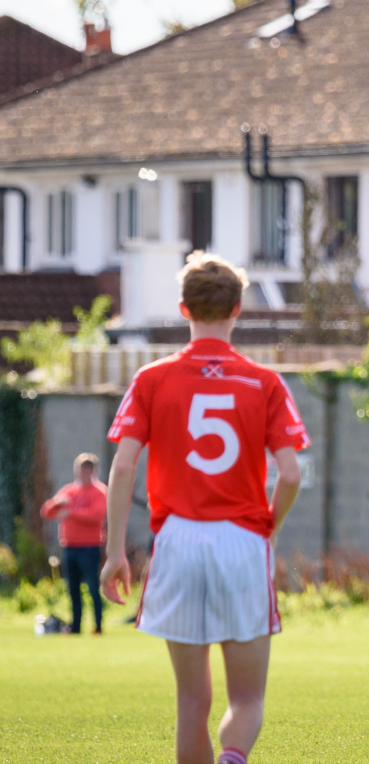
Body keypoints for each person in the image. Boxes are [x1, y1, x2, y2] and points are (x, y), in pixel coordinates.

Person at [100, 251, 310, 764]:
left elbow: (123, 467)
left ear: (182, 308)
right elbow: (291, 473)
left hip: (178, 540)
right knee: (248, 698)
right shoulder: (264, 383)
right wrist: (269, 528)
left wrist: (113, 554)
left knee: (192, 702)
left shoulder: (152, 379)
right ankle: (233, 759)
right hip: (241, 541)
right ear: (238, 309)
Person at [40, 453, 108, 634]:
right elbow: (46, 512)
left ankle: (98, 626)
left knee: (93, 587)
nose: (84, 473)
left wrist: (71, 512)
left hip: (90, 546)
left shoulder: (99, 491)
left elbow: (96, 515)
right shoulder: (68, 491)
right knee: (73, 589)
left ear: (94, 471)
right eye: (82, 469)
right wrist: (56, 503)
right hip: (70, 546)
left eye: (88, 469)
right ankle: (76, 626)